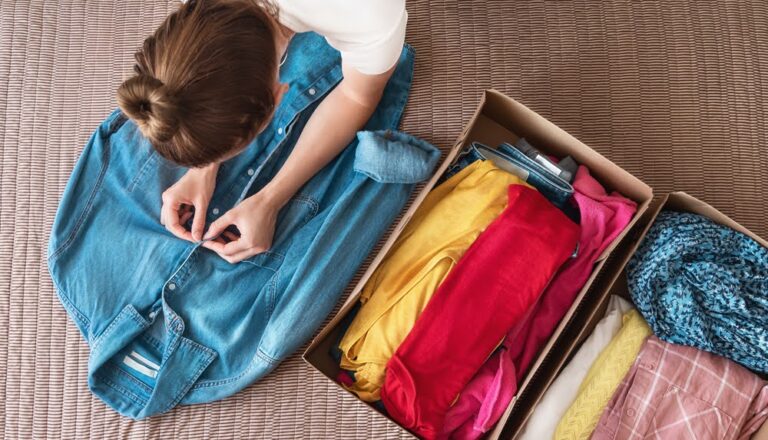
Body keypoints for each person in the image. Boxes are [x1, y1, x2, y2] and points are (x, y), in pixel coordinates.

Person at [116, 0, 408, 263]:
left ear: (279, 95)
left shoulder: (368, 13)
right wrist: (203, 167)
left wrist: (272, 199)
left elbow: (357, 96)